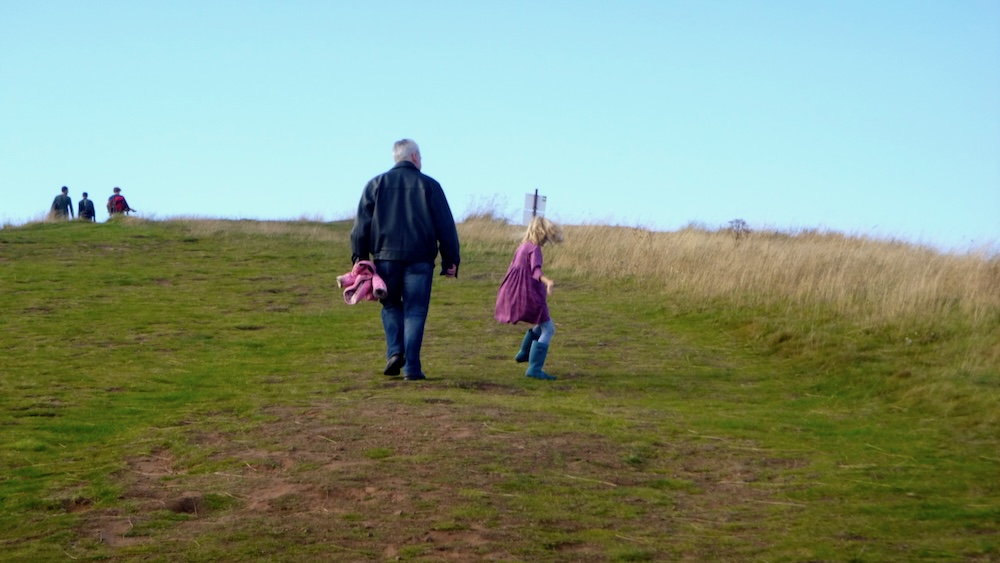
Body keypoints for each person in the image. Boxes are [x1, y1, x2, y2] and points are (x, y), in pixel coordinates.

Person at [350, 139, 461, 381]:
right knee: (416, 310)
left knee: (390, 304)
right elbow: (445, 226)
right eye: (420, 157)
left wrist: (360, 257)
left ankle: (395, 351)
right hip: (420, 259)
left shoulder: (375, 184)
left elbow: (361, 226)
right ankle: (412, 368)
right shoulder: (430, 185)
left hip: (385, 258)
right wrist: (451, 259)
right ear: (413, 157)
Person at [494, 216, 564, 380]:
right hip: (531, 294)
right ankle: (534, 368)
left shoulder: (522, 247)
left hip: (519, 292)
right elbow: (535, 271)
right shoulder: (534, 249)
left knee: (540, 325)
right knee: (548, 329)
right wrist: (548, 282)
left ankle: (524, 353)